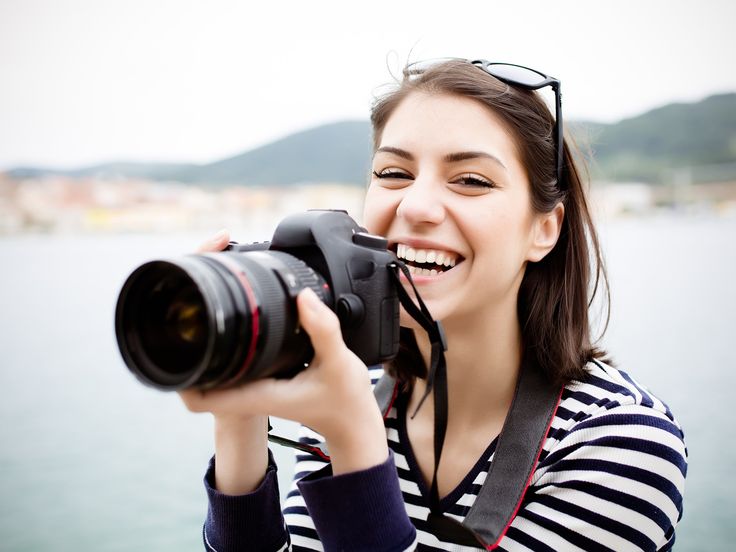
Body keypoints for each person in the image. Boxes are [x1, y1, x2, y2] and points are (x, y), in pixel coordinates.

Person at [180, 59, 687, 551]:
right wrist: (240, 415)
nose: (416, 206)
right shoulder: (355, 403)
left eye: (470, 180)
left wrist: (353, 441)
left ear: (544, 229)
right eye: (393, 172)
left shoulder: (619, 446)